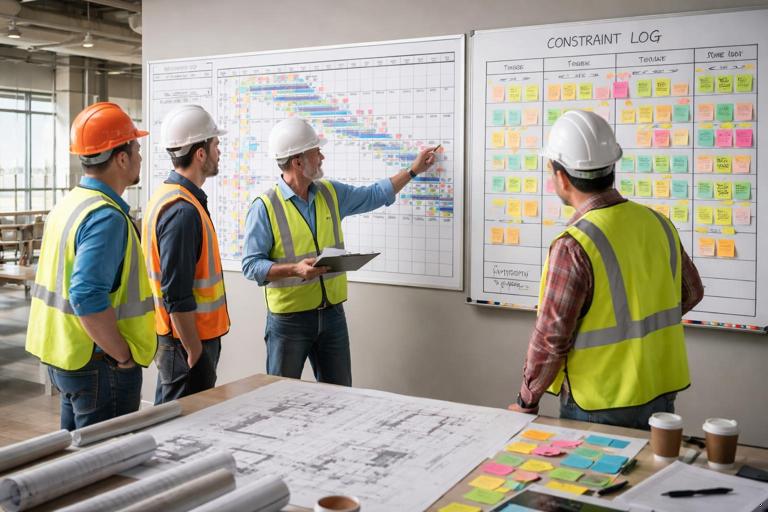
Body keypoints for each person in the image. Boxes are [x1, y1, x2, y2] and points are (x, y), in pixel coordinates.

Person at [509, 110, 704, 429]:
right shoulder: (657, 223)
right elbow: (691, 292)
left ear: (561, 176)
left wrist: (526, 401)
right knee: (649, 477)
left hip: (598, 402)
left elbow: (551, 338)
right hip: (659, 392)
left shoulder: (573, 244)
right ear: (611, 166)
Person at [242, 117, 437, 386]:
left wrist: (413, 171)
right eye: (315, 152)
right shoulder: (265, 206)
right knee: (280, 397)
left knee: (341, 396)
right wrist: (295, 269)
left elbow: (373, 195)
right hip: (289, 322)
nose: (322, 156)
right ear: (298, 161)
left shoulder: (330, 193)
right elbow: (251, 266)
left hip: (332, 315)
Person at [26, 102, 156, 430]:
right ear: (121, 157)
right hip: (100, 362)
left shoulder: (70, 203)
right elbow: (85, 295)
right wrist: (123, 356)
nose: (140, 156)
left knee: (77, 461)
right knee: (107, 466)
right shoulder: (106, 217)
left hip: (66, 355)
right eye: (136, 147)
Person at [142, 104, 230, 404]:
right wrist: (194, 351)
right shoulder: (182, 211)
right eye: (216, 144)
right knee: (183, 428)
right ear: (200, 153)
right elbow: (176, 293)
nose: (220, 151)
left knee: (169, 418)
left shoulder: (168, 197)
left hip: (178, 340)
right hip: (187, 344)